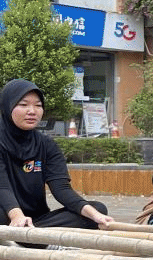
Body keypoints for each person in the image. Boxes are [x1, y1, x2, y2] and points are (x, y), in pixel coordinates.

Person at [0, 78, 112, 240]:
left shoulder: (47, 144)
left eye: (38, 105)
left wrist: (95, 216)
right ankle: (32, 237)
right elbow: (2, 187)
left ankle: (30, 237)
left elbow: (61, 189)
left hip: (38, 220)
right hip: (7, 215)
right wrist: (17, 217)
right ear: (7, 106)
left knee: (96, 209)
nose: (32, 111)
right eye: (23, 105)